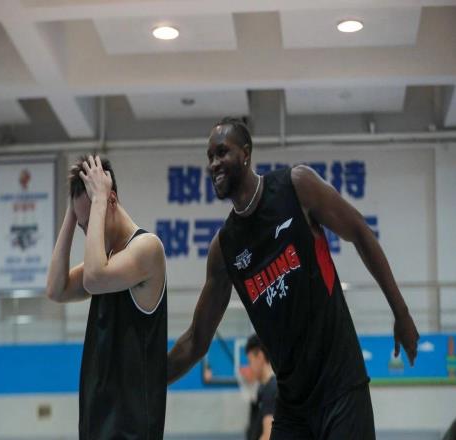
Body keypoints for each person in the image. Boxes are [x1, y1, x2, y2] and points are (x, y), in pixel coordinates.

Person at [167, 118, 420, 439]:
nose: (214, 163)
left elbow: (359, 231)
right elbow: (196, 340)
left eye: (222, 152)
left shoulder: (296, 187)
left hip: (341, 386)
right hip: (293, 404)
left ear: (245, 153)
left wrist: (401, 313)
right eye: (209, 156)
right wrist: (145, 383)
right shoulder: (224, 248)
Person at [46, 154, 167, 440]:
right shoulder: (106, 262)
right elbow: (56, 289)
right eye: (83, 227)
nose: (88, 233)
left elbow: (94, 278)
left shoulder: (147, 249)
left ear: (111, 200)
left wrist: (99, 199)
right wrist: (72, 213)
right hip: (95, 426)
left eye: (90, 223)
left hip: (131, 431)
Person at [245, 334, 277, 440]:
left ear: (260, 356)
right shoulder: (264, 389)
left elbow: (268, 435)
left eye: (250, 361)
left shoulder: (271, 389)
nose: (250, 367)